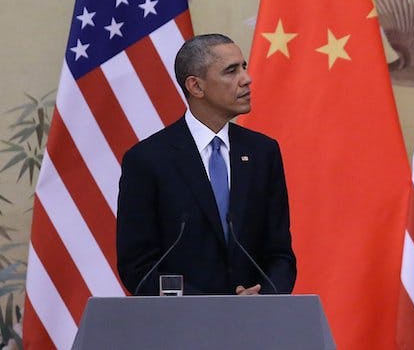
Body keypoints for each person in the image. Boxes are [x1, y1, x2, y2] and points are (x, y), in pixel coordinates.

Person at [117, 34, 296, 295]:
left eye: (243, 67)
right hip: (182, 317)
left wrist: (263, 298)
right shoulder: (147, 159)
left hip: (256, 316)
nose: (246, 79)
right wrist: (209, 308)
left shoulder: (262, 152)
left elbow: (280, 253)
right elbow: (138, 266)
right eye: (231, 71)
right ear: (196, 86)